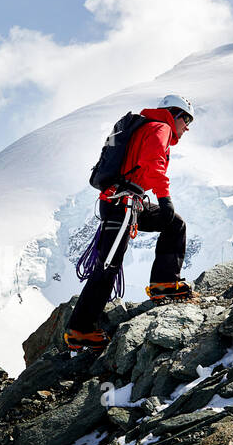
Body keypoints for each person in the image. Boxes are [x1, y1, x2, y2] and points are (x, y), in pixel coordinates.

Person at [64, 94, 195, 351]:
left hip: (125, 201)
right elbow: (153, 164)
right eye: (187, 119)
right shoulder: (161, 127)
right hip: (122, 204)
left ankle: (165, 284)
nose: (187, 127)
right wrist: (165, 199)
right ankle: (80, 329)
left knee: (174, 224)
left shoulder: (145, 125)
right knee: (108, 265)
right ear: (175, 114)